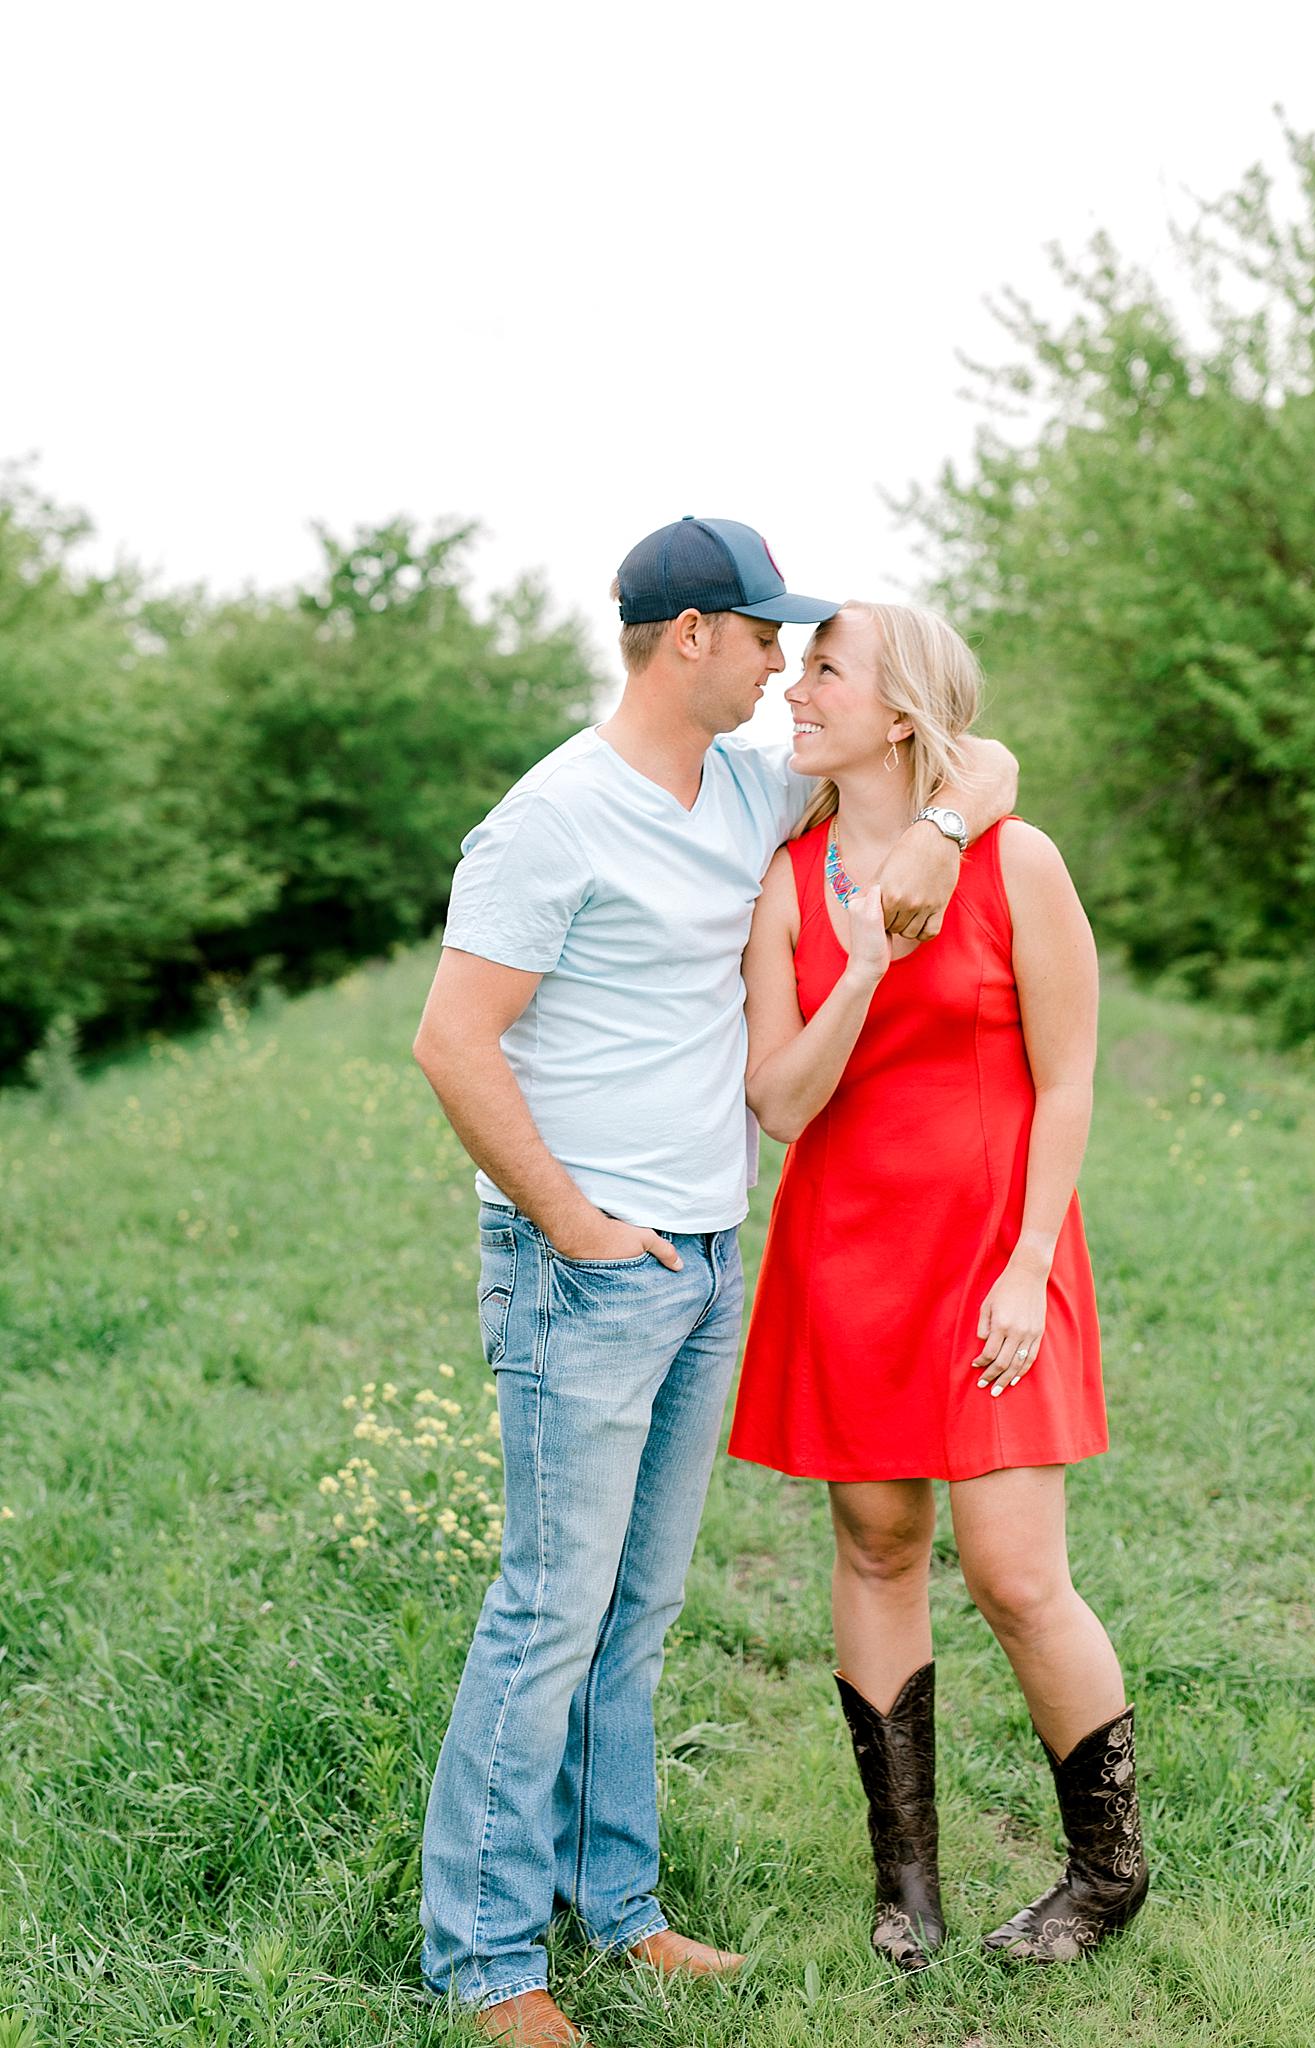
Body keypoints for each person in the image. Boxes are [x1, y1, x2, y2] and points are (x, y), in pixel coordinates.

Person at [412, 518, 1018, 2045]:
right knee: (550, 1608)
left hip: (703, 1256)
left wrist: (945, 833)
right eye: (763, 640)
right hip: (588, 1263)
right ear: (691, 638)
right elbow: (450, 1042)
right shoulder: (551, 819)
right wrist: (571, 1225)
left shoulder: (748, 785)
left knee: (638, 1609)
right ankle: (488, 1961)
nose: (778, 668)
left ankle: (618, 1914)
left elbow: (974, 759)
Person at [730, 599, 1148, 1973]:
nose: (794, 690)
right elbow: (781, 1101)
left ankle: (1106, 1871)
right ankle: (904, 1881)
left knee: (1016, 1575)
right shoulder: (783, 885)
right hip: (845, 1253)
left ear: (897, 712)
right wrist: (866, 958)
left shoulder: (1010, 857)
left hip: (991, 1251)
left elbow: (1069, 1074)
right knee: (876, 1545)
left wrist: (1028, 1264)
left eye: (823, 672)